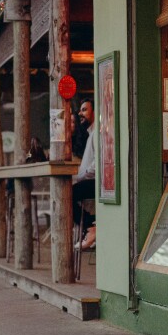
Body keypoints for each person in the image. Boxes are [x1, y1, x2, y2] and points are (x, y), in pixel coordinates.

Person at [72, 99, 96, 249]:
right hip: (92, 179)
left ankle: (91, 226)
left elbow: (97, 165)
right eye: (80, 110)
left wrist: (81, 176)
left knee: (68, 195)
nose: (80, 113)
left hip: (97, 181)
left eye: (84, 110)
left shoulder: (97, 133)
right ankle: (91, 225)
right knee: (70, 193)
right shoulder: (91, 133)